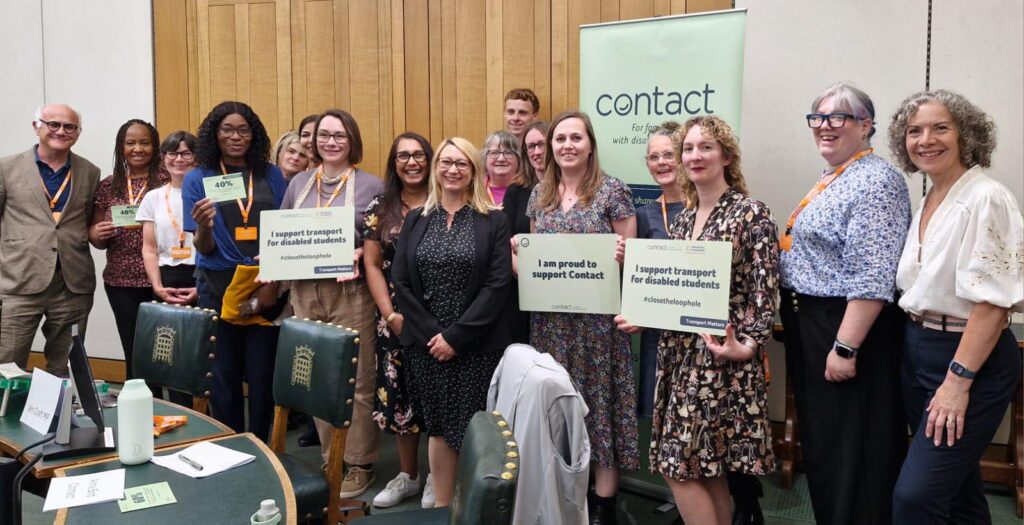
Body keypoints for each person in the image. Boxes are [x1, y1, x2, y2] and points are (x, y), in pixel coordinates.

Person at [616, 116, 778, 525]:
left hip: (719, 363)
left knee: (679, 466)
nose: (695, 155)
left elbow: (765, 290)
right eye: (688, 148)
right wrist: (645, 315)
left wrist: (748, 345)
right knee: (704, 469)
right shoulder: (686, 217)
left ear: (726, 155)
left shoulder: (750, 213)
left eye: (706, 147)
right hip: (678, 357)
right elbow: (678, 290)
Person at [888, 90, 1023, 523]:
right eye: (914, 131)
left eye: (940, 127)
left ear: (966, 134)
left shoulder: (986, 197)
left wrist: (957, 382)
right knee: (959, 488)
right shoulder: (931, 197)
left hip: (966, 359)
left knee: (916, 496)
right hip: (918, 346)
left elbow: (992, 304)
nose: (926, 139)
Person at [779, 83, 910, 524]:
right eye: (817, 117)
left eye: (838, 117)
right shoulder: (836, 174)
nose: (824, 127)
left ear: (866, 125)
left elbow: (872, 277)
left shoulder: (877, 181)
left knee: (854, 452)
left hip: (846, 331)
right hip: (815, 324)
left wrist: (846, 347)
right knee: (827, 447)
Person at [525, 110, 638, 524]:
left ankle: (604, 506)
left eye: (576, 138)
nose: (567, 145)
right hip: (551, 324)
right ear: (550, 147)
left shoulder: (613, 191)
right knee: (557, 408)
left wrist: (626, 256)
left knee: (601, 408)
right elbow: (533, 259)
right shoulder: (541, 194)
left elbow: (633, 262)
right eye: (560, 139)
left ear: (590, 144)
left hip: (598, 327)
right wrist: (524, 263)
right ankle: (562, 497)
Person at [392, 137, 512, 507]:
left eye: (462, 163)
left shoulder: (493, 220)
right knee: (440, 430)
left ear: (474, 170)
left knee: (475, 432)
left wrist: (456, 338)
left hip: (476, 346)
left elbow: (496, 286)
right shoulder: (416, 219)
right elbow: (401, 281)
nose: (453, 169)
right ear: (435, 169)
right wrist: (435, 336)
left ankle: (473, 510)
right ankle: (444, 508)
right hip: (428, 347)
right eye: (446, 162)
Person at [281, 109, 384, 498]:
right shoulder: (299, 184)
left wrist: (360, 251)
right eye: (324, 135)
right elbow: (285, 233)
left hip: (350, 291)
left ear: (352, 140)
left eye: (340, 135)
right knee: (319, 377)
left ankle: (359, 462)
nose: (331, 142)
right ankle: (331, 457)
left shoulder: (372, 186)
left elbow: (382, 240)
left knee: (356, 380)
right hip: (305, 290)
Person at [182, 101, 287, 442]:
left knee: (262, 374)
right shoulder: (198, 178)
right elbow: (204, 247)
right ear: (214, 135)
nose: (236, 136)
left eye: (243, 130)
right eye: (227, 129)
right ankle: (227, 442)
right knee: (222, 374)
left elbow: (284, 229)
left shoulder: (271, 175)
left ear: (254, 135)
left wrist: (272, 278)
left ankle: (260, 443)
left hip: (264, 284)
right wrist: (204, 226)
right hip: (218, 285)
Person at [0, 104, 100, 375]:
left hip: (72, 284)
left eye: (70, 127)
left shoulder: (90, 172)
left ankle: (58, 416)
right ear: (36, 127)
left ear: (78, 133)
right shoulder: (6, 167)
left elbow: (86, 219)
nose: (61, 131)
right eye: (53, 124)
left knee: (65, 365)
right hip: (19, 281)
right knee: (6, 364)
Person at [363, 132, 434, 508]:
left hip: (441, 320)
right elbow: (372, 265)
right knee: (400, 395)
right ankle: (408, 476)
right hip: (395, 319)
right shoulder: (381, 205)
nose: (412, 162)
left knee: (438, 394)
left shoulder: (445, 200)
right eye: (403, 156)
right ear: (394, 162)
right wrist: (389, 315)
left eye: (419, 155)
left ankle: (439, 475)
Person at [89, 119, 167, 381]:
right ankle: (143, 407)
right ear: (120, 147)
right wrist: (96, 234)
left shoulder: (168, 181)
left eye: (144, 142)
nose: (138, 148)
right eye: (130, 142)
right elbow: (95, 235)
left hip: (164, 277)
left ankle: (179, 408)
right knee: (134, 348)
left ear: (155, 146)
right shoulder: (109, 186)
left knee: (169, 349)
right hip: (121, 280)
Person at [633, 121, 685, 420]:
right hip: (658, 335)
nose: (661, 163)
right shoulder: (645, 215)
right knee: (661, 420)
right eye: (654, 157)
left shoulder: (709, 207)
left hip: (699, 334)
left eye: (669, 154)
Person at [137, 131, 198, 306]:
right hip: (166, 279)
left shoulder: (209, 194)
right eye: (172, 153)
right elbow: (149, 249)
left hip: (203, 276)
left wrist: (203, 285)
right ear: (163, 158)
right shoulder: (153, 197)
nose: (179, 159)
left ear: (197, 158)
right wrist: (157, 287)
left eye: (186, 153)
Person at [504, 120, 549, 344]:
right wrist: (531, 278)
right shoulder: (515, 191)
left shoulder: (573, 190)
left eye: (542, 144)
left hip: (566, 288)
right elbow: (503, 244)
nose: (536, 152)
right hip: (522, 292)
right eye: (530, 147)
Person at [480, 130, 521, 206]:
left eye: (508, 152)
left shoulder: (528, 191)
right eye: (494, 153)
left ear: (518, 159)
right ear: (485, 158)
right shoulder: (475, 190)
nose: (501, 159)